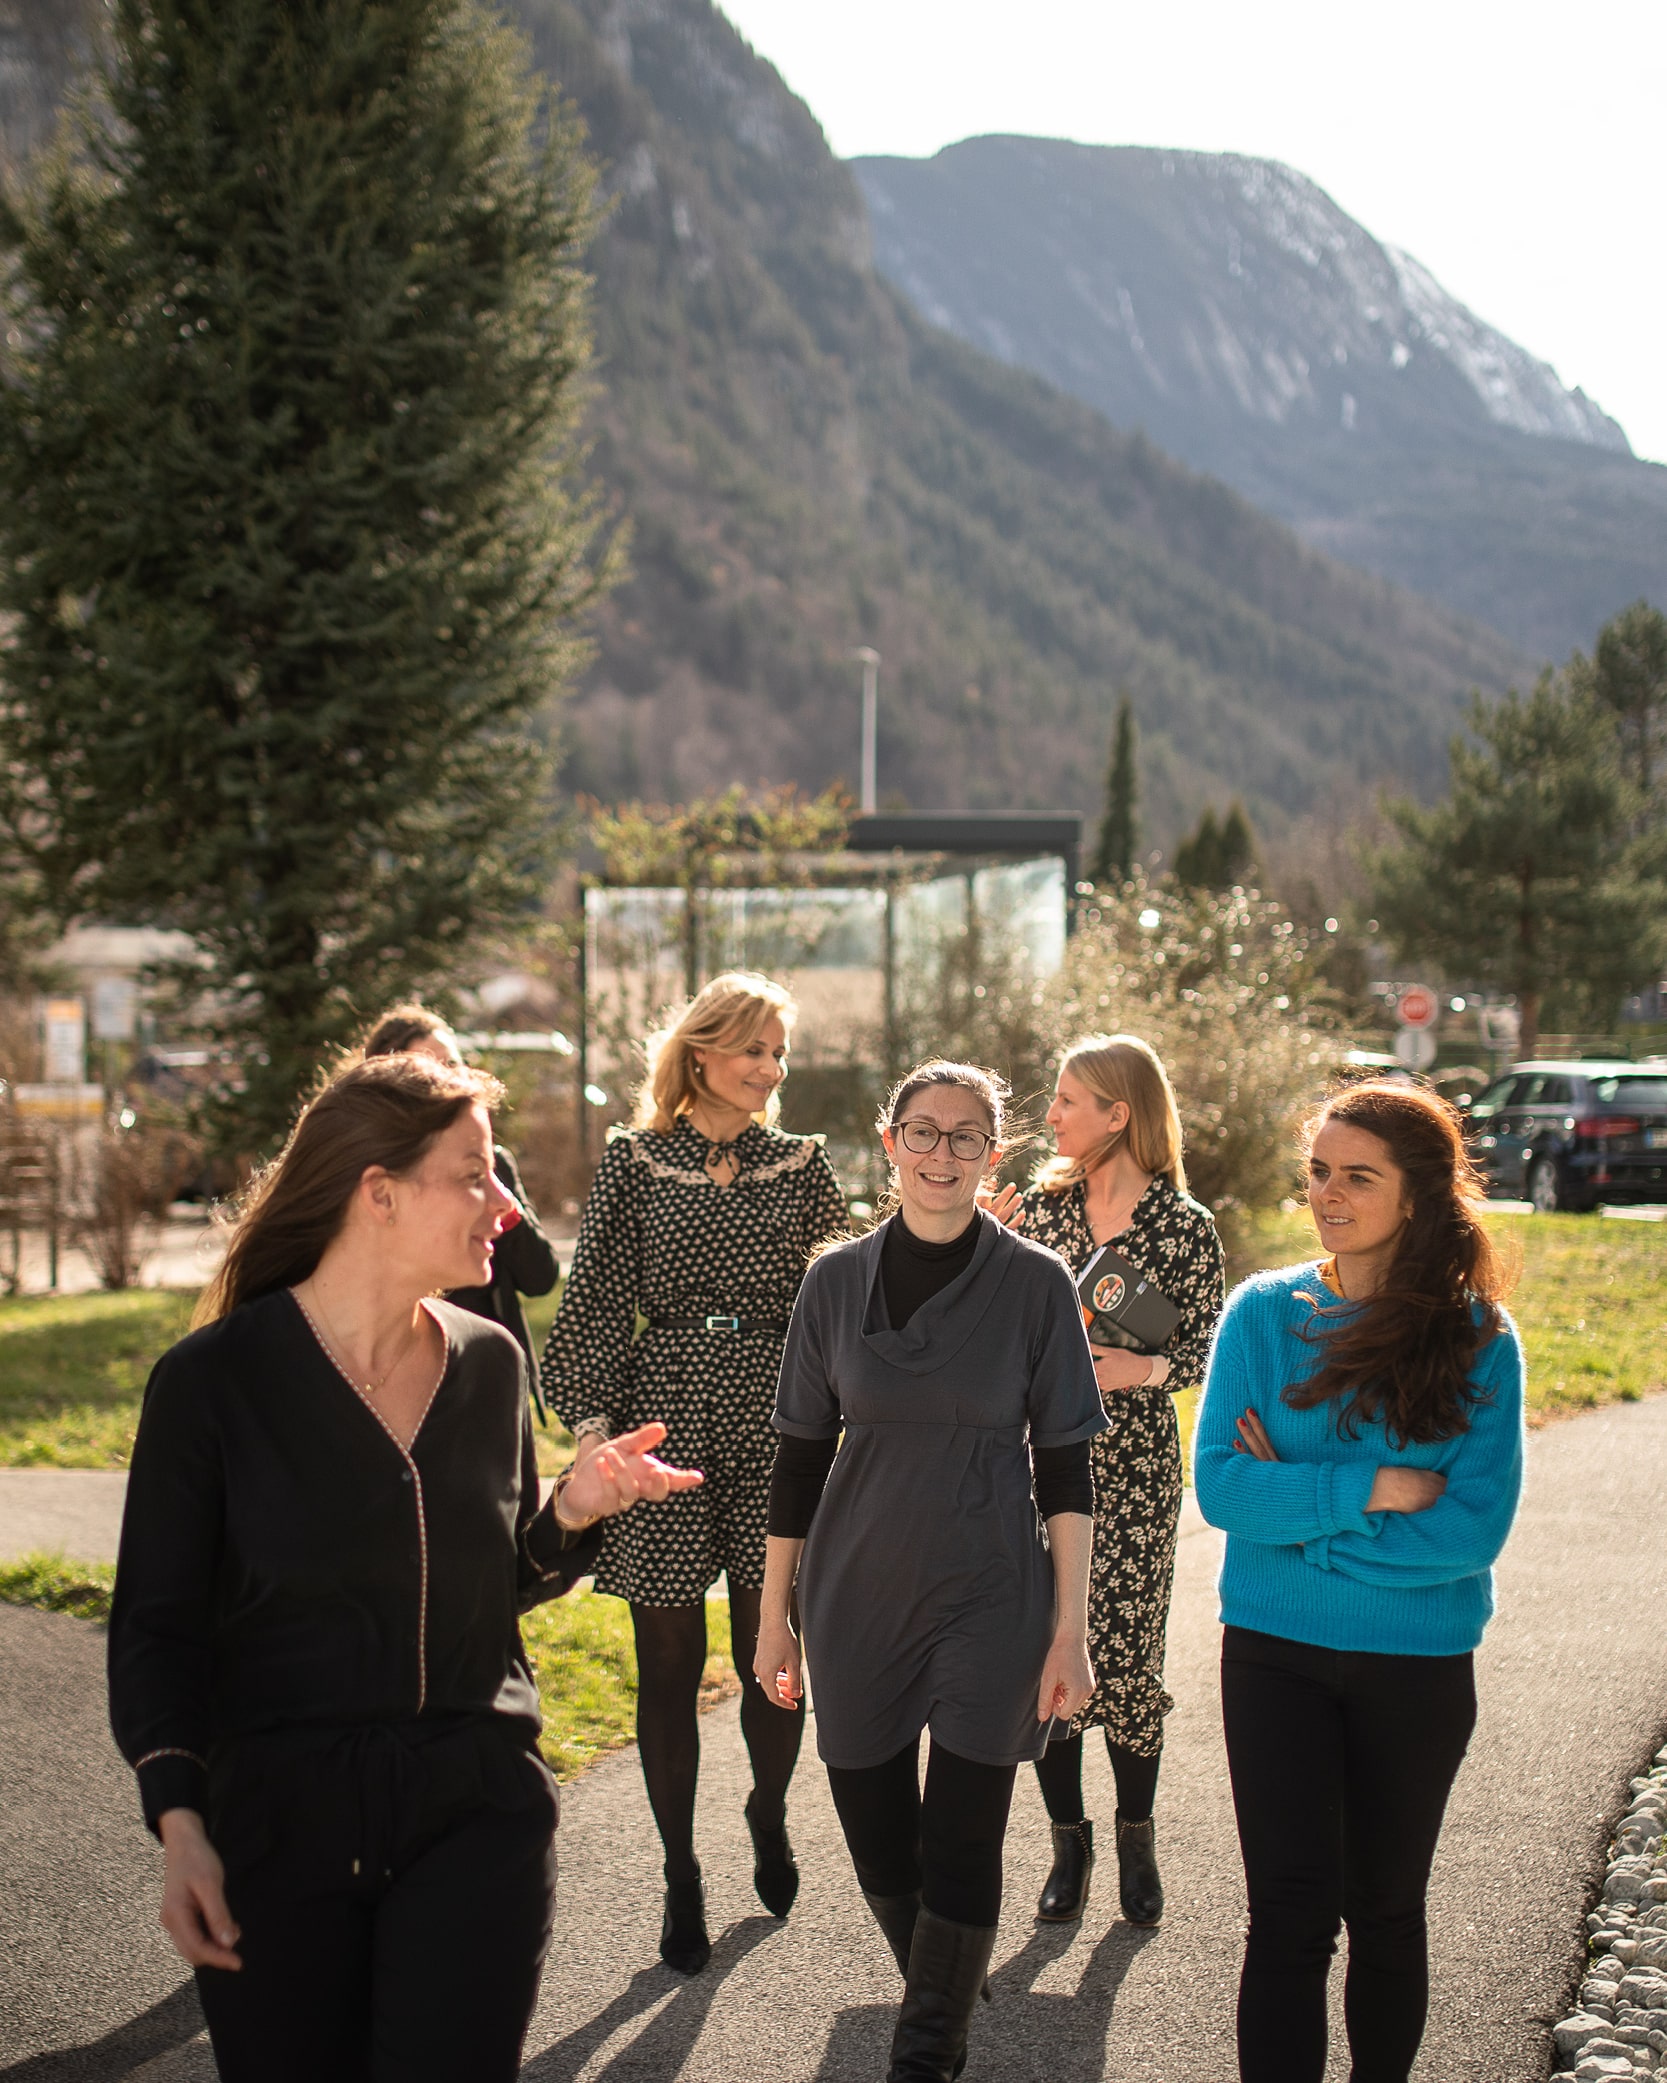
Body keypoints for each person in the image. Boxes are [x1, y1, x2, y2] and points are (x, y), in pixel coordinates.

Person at [107, 1052, 700, 2083]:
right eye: (472, 1174)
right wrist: (182, 1819)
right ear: (376, 1192)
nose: (503, 1205)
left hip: (474, 1812)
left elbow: (498, 1583)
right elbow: (158, 1628)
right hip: (279, 1825)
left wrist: (571, 1508)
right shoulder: (210, 1383)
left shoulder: (488, 1363)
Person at [754, 1060, 1106, 2083]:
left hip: (992, 1585)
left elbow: (1067, 1464)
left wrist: (1068, 1629)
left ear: (992, 1155)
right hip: (856, 1586)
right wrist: (774, 1617)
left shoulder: (1036, 1282)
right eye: (922, 1131)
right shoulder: (831, 1281)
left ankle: (928, 2048)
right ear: (888, 1141)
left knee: (963, 1832)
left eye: (964, 1137)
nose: (940, 1153)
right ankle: (939, 1975)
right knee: (873, 1828)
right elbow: (798, 1454)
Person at [1193, 1080, 1524, 2083]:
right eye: (1318, 1172)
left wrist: (1303, 1522)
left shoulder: (1477, 1339)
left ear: (1415, 1196)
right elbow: (1219, 1485)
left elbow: (1469, 1529)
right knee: (1287, 1917)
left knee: (1384, 1908)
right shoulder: (1259, 1315)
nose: (1327, 1195)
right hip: (1272, 1658)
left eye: (1356, 1177)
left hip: (1414, 1666)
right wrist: (1371, 1486)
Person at [540, 971, 846, 1973]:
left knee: (775, 1639)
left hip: (775, 1409)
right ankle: (679, 1871)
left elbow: (848, 1288)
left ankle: (765, 1808)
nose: (772, 1068)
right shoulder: (633, 1160)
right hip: (660, 1411)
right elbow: (589, 1306)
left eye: (778, 1051)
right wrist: (593, 1436)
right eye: (754, 1048)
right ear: (702, 1052)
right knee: (666, 1663)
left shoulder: (801, 1163)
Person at [1015, 1035, 1224, 1927]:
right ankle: (1070, 1843)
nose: (1052, 1114)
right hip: (1032, 1462)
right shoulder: (1035, 1209)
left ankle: (1135, 1837)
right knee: (1042, 1655)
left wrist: (1133, 1372)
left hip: (1134, 1468)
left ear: (1118, 1113)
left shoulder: (1184, 1226)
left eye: (1067, 1100)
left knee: (1127, 1659)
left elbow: (1205, 1350)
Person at [362, 1004, 559, 1408]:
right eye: (427, 1067)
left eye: (453, 1064)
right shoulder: (370, 1178)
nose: (446, 1079)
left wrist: (487, 1185)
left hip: (492, 1379)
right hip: (410, 1379)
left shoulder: (494, 1165)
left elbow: (541, 1278)